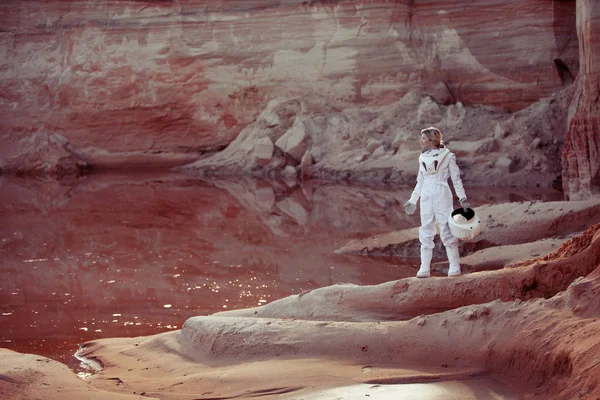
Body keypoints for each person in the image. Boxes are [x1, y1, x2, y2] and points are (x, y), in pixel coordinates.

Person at [403, 127, 470, 278]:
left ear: (432, 140)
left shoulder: (448, 156)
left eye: (423, 138)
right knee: (426, 228)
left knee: (446, 227)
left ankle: (454, 266)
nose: (421, 141)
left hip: (441, 193)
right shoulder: (422, 158)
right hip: (426, 194)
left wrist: (462, 197)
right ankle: (424, 267)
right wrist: (413, 200)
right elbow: (420, 181)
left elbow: (456, 179)